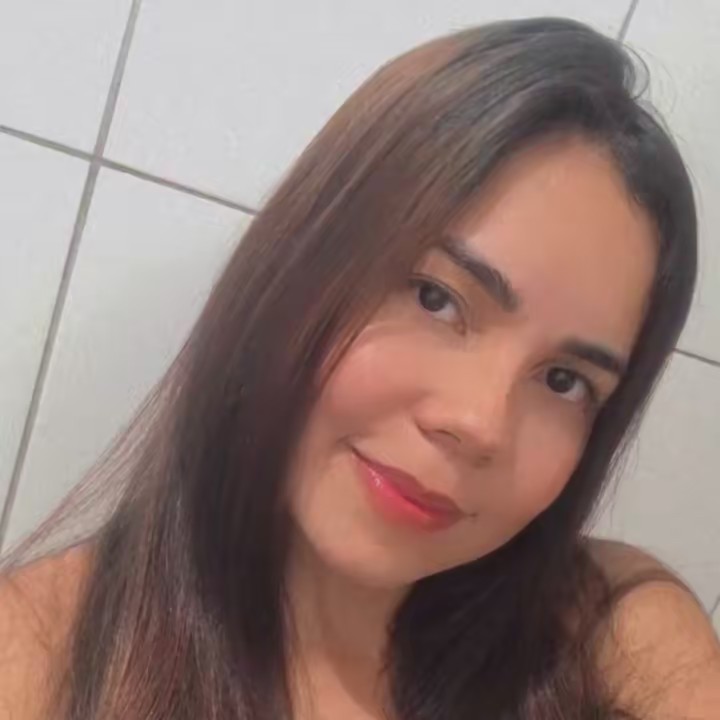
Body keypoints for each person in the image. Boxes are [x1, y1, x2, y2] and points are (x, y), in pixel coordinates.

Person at [1, 16, 719, 720]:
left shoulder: (617, 639)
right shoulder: (31, 660)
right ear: (297, 267)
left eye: (565, 381)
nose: (479, 422)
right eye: (435, 298)